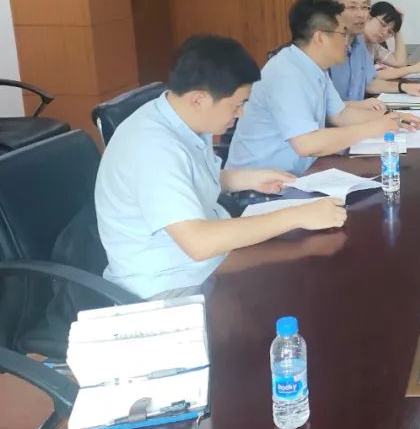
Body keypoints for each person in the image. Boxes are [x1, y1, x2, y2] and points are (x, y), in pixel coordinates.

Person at [95, 35, 347, 300]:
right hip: (170, 285)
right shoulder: (153, 148)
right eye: (236, 105)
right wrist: (297, 215)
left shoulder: (181, 118)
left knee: (299, 264)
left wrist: (245, 179)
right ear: (198, 100)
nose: (240, 114)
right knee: (292, 288)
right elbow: (198, 243)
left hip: (206, 262)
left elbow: (186, 179)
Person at [226, 0, 416, 175]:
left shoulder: (315, 67)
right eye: (343, 34)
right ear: (320, 37)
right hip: (260, 187)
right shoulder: (286, 73)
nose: (347, 42)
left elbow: (341, 114)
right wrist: (371, 128)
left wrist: (392, 117)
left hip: (299, 174)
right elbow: (307, 144)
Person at [325, 0, 420, 99]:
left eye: (364, 7)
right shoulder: (324, 48)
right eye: (352, 7)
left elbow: (369, 82)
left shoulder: (360, 43)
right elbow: (328, 105)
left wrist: (404, 87)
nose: (361, 14)